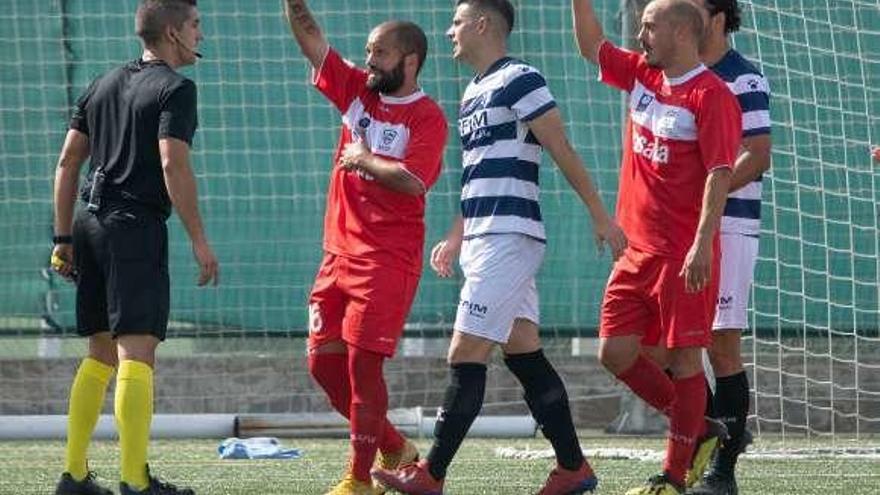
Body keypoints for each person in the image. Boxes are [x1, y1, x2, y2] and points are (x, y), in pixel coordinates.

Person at [372, 1, 626, 494]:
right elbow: (478, 178)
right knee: (524, 353)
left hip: (510, 238)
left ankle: (431, 475)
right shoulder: (471, 93)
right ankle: (574, 468)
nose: (449, 32)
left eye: (458, 21)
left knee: (464, 351)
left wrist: (600, 213)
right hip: (485, 238)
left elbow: (560, 147)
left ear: (484, 24)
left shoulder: (521, 78)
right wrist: (456, 233)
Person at [571, 0, 742, 493]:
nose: (641, 35)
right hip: (635, 252)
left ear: (682, 34)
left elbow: (719, 175)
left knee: (686, 360)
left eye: (649, 26)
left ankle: (672, 476)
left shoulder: (712, 95)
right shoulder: (642, 74)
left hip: (681, 256)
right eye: (641, 25)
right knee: (615, 352)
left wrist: (703, 244)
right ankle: (701, 428)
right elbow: (591, 46)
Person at [50, 1, 218, 494]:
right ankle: (133, 482)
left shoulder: (101, 83)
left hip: (89, 225)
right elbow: (173, 164)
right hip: (133, 229)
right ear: (173, 32)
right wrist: (199, 239)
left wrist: (62, 239)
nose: (200, 36)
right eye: (195, 26)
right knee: (136, 356)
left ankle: (75, 475)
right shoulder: (177, 88)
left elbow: (67, 163)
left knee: (99, 353)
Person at [282, 1, 447, 494]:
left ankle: (358, 480)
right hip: (337, 255)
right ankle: (395, 445)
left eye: (380, 53)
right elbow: (310, 34)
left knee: (362, 365)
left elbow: (413, 181)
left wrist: (365, 157)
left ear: (409, 60)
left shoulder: (427, 117)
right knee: (323, 365)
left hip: (386, 260)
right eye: (368, 51)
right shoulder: (356, 91)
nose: (369, 60)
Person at [690, 1, 772, 494]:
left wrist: (705, 194)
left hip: (730, 228)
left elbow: (757, 154)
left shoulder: (744, 78)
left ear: (717, 16)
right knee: (661, 345)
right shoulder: (680, 78)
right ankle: (717, 428)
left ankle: (723, 471)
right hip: (681, 232)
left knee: (722, 348)